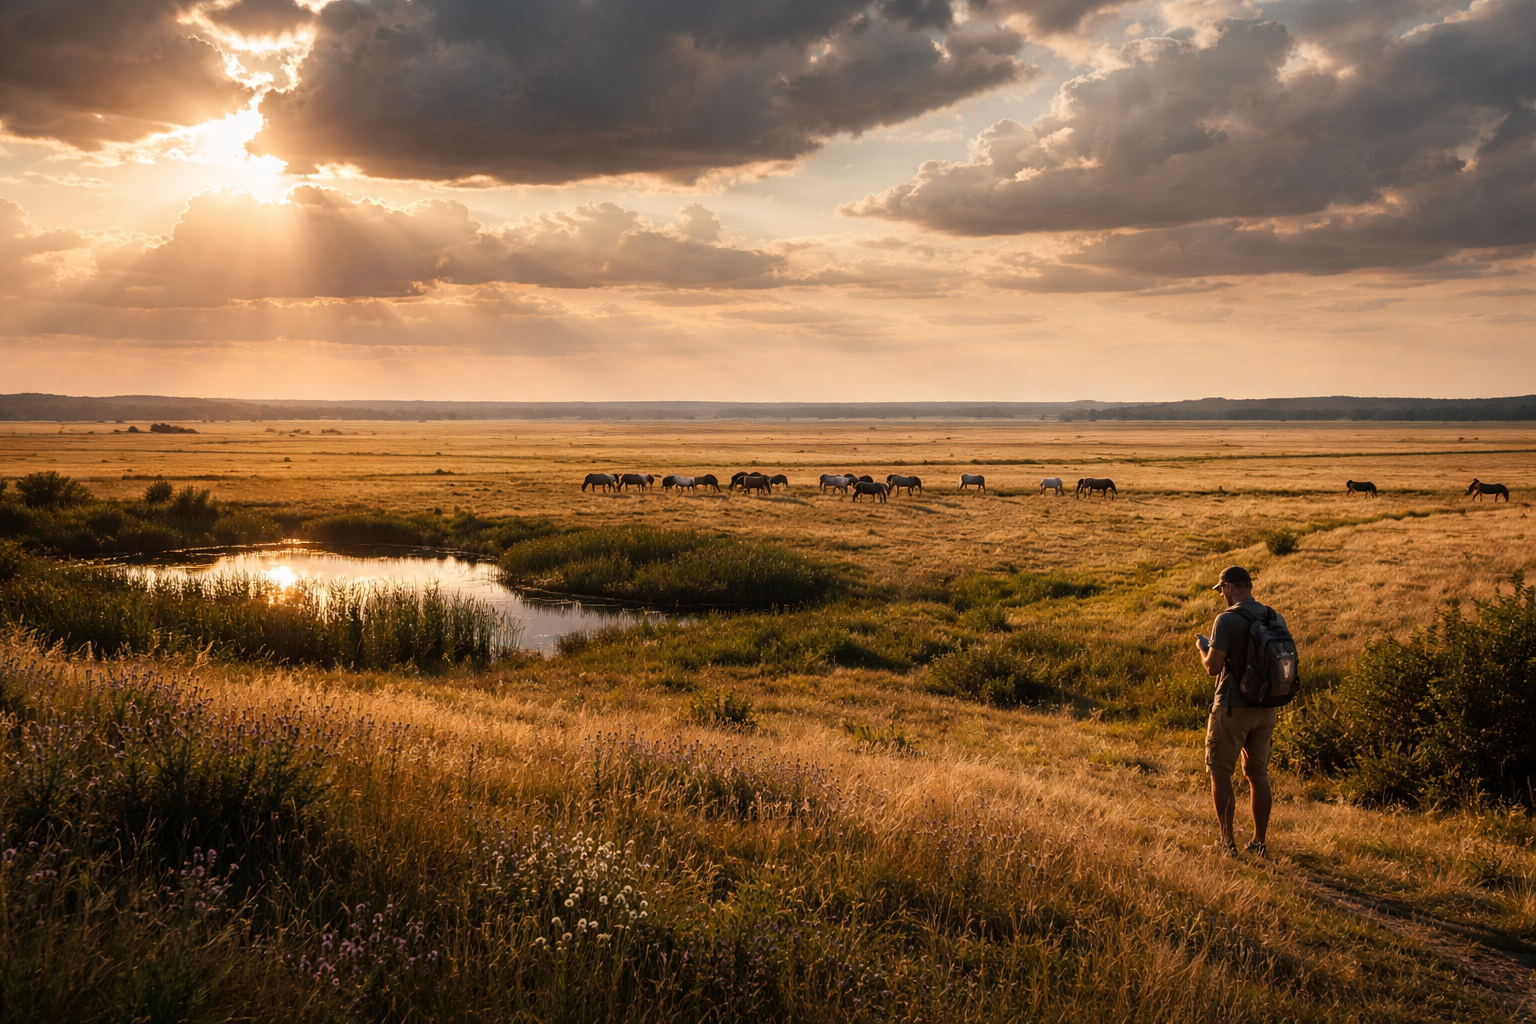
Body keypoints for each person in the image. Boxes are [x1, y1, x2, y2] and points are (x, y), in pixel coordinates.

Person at [1195, 565, 1285, 857]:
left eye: (1222, 589)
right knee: (1258, 774)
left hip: (1232, 707)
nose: (1222, 594)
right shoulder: (1274, 617)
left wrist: (1202, 648)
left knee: (1220, 773)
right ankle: (1260, 843)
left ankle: (1227, 843)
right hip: (1266, 708)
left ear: (1230, 587)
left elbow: (1213, 667)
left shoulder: (1226, 620)